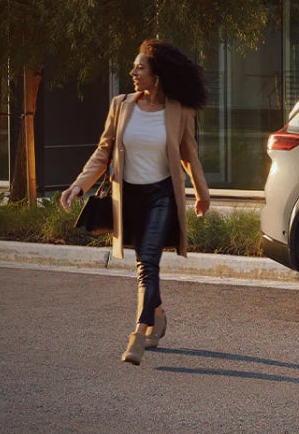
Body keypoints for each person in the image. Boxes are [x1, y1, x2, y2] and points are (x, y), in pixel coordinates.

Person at [59, 39, 211, 366]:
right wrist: (78, 186)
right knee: (145, 263)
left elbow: (189, 156)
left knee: (148, 264)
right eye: (135, 66)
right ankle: (157, 314)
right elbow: (103, 152)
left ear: (157, 75)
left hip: (161, 197)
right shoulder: (121, 105)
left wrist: (202, 193)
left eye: (140, 67)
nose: (133, 71)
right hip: (129, 197)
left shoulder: (178, 111)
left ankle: (139, 333)